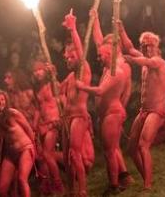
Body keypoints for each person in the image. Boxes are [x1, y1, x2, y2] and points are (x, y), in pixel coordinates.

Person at [76, 11, 132, 195]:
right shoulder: (109, 65)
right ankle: (121, 177)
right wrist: (96, 20)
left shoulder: (121, 66)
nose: (100, 54)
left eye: (104, 49)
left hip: (114, 110)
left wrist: (121, 108)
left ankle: (116, 183)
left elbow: (125, 89)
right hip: (107, 111)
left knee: (111, 149)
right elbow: (98, 40)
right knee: (112, 148)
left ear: (112, 48)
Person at [119, 23, 165, 190]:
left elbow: (144, 60)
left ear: (156, 45)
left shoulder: (158, 61)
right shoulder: (144, 60)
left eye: (150, 45)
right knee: (131, 149)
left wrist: (132, 59)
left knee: (143, 145)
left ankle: (148, 185)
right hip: (144, 111)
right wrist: (121, 29)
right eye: (144, 45)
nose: (147, 47)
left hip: (156, 110)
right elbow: (129, 46)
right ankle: (146, 180)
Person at [59, 11, 96, 196]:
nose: (68, 59)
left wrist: (73, 29)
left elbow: (81, 55)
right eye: (66, 58)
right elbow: (57, 91)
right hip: (66, 118)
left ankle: (82, 190)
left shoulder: (84, 70)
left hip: (78, 117)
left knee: (75, 154)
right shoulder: (70, 77)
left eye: (71, 57)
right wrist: (49, 75)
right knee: (67, 158)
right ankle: (70, 191)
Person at [0, 89, 35, 197]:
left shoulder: (13, 113)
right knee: (1, 190)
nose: (1, 102)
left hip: (25, 149)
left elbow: (28, 129)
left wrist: (35, 148)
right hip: (10, 154)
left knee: (21, 179)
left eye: (2, 99)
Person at [31, 61, 64, 194]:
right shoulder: (37, 89)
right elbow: (39, 109)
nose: (37, 73)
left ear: (45, 71)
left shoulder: (54, 84)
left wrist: (54, 75)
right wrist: (34, 126)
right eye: (35, 71)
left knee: (47, 154)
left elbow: (62, 98)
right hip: (42, 125)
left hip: (54, 122)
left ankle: (58, 184)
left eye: (40, 70)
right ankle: (48, 184)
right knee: (43, 156)